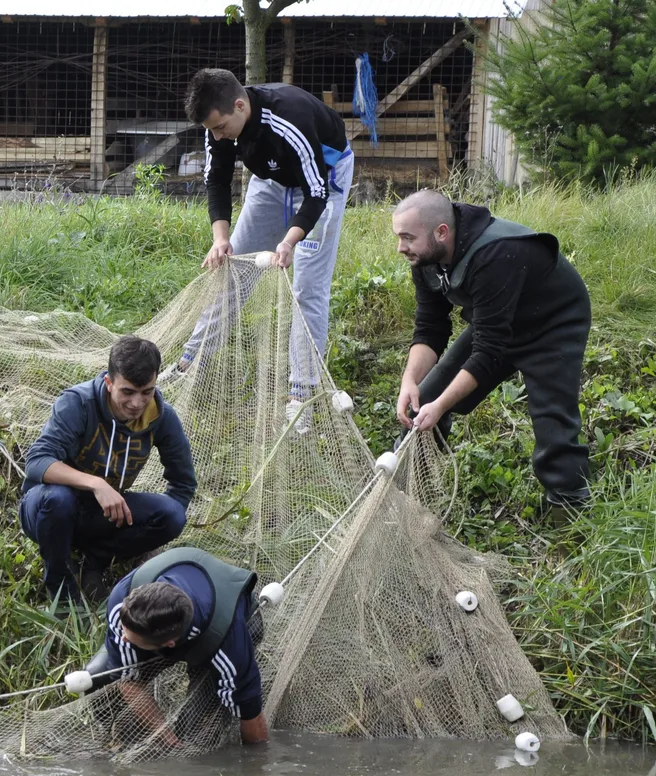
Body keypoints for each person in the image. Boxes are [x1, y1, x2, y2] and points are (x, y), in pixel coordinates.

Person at [391, 189, 592, 515]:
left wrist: (442, 406)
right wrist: (410, 381)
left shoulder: (496, 253)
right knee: (422, 403)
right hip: (497, 324)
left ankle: (570, 519)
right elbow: (430, 328)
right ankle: (409, 501)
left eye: (407, 237)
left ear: (441, 232)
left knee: (553, 428)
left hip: (552, 324)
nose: (401, 247)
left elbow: (487, 353)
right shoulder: (424, 256)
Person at [183, 68, 353, 413]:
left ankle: (301, 394)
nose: (217, 137)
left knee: (308, 288)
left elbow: (316, 193)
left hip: (324, 181)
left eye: (220, 128)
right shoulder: (217, 127)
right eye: (211, 131)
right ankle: (190, 362)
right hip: (271, 183)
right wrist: (221, 239)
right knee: (233, 270)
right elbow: (216, 181)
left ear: (240, 105)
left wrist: (289, 241)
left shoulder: (289, 119)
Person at [19, 335, 196, 605]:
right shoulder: (78, 404)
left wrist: (145, 538)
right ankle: (61, 588)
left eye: (146, 392)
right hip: (48, 509)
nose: (137, 403)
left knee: (172, 516)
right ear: (109, 382)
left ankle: (95, 561)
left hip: (102, 515)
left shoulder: (161, 417)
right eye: (128, 392)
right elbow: (36, 462)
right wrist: (96, 484)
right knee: (58, 500)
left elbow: (182, 483)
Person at [84, 546, 268, 746]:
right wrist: (168, 739)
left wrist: (256, 768)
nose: (123, 638)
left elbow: (251, 715)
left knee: (195, 734)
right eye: (123, 629)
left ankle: (201, 709)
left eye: (129, 637)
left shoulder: (227, 643)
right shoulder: (125, 603)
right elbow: (128, 681)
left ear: (168, 645)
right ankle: (122, 741)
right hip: (174, 628)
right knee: (98, 678)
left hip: (229, 621)